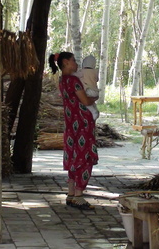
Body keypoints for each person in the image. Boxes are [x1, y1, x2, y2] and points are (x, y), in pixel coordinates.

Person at [49, 52, 98, 210]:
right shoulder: (74, 81)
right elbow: (84, 100)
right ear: (66, 62)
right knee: (84, 158)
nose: (76, 63)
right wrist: (94, 98)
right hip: (82, 124)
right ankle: (78, 195)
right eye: (73, 61)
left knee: (73, 158)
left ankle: (71, 194)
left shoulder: (63, 80)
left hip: (71, 125)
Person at [74, 55, 100, 120]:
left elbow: (75, 75)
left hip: (87, 91)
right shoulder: (95, 71)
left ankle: (93, 115)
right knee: (92, 104)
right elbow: (97, 79)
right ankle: (94, 115)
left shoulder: (82, 71)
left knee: (89, 106)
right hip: (95, 91)